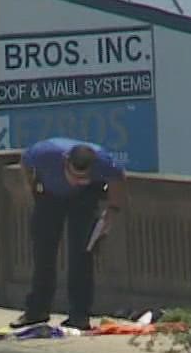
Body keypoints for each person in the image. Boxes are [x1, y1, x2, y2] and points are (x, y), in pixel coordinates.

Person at [12, 136, 126, 331]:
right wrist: (29, 189)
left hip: (84, 199)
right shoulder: (45, 153)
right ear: (65, 162)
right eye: (74, 176)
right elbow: (24, 163)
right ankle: (36, 311)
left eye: (84, 178)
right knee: (43, 252)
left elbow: (117, 179)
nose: (78, 181)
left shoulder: (103, 161)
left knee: (82, 254)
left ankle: (79, 315)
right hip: (49, 195)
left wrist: (112, 211)